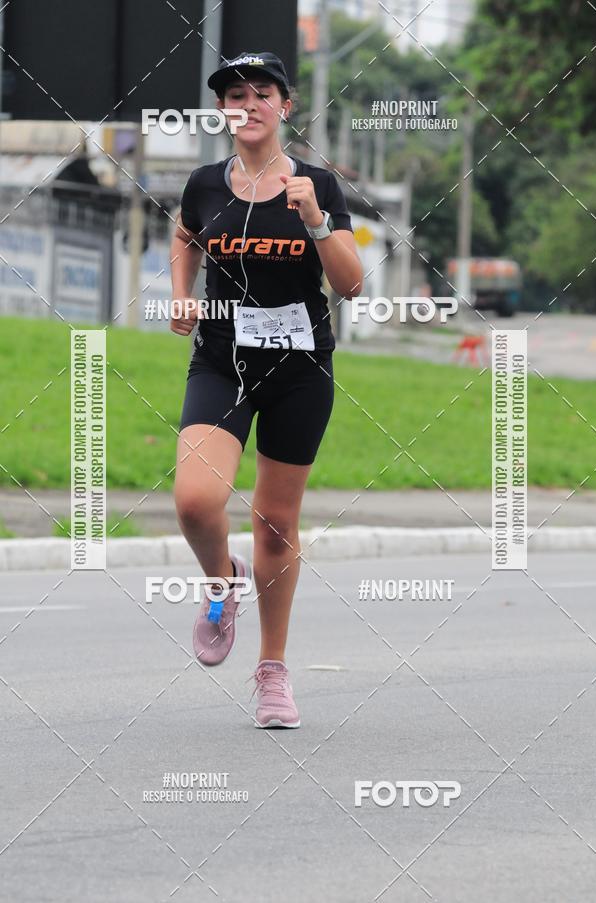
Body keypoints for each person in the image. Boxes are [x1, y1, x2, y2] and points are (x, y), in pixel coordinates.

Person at [170, 51, 363, 728]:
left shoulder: (317, 185)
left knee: (275, 525)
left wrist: (315, 220)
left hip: (299, 369)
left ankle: (273, 671)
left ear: (285, 106)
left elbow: (351, 283)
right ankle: (220, 584)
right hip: (223, 362)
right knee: (196, 501)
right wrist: (180, 296)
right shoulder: (203, 183)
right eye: (233, 95)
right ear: (222, 110)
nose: (246, 103)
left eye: (261, 92)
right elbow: (186, 234)